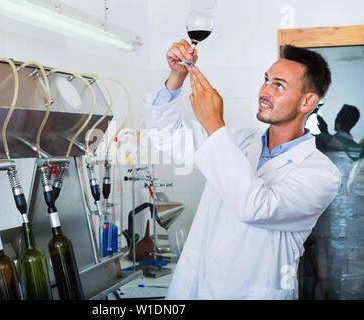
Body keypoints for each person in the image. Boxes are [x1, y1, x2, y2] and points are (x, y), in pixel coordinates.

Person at [143, 40, 342, 299]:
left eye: (278, 85)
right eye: (266, 80)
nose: (264, 91)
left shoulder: (321, 174)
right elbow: (164, 134)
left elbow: (255, 207)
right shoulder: (235, 140)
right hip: (195, 288)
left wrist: (215, 124)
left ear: (307, 102)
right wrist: (177, 76)